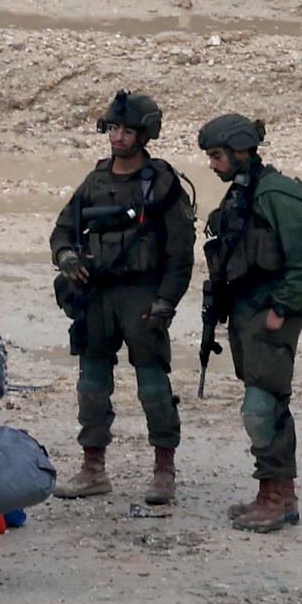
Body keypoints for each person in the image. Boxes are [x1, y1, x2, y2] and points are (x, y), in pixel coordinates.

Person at [48, 90, 196, 505]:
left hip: (142, 295)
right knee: (91, 384)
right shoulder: (95, 181)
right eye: (113, 128)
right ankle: (93, 467)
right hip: (97, 295)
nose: (118, 137)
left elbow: (180, 252)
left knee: (153, 386)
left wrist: (166, 301)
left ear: (144, 134)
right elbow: (62, 229)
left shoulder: (162, 185)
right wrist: (66, 258)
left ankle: (163, 470)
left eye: (127, 130)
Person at [198, 114, 302, 533]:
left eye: (216, 156)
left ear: (241, 150)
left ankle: (271, 498)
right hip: (249, 310)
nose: (213, 165)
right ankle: (281, 496)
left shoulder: (277, 193)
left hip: (271, 313)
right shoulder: (244, 192)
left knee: (260, 407)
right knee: (271, 403)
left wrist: (281, 308)